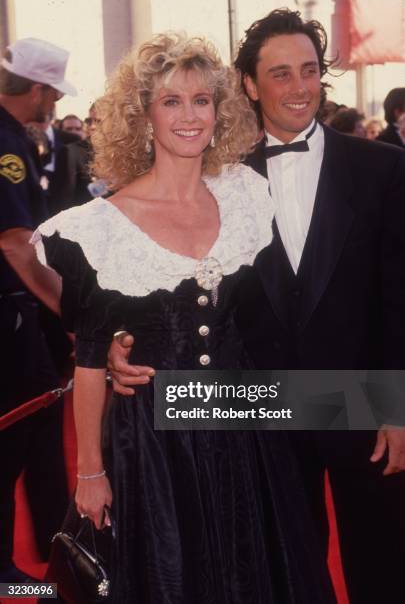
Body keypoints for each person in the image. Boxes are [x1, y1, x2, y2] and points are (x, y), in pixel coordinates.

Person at [109, 10, 405, 604]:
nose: (299, 88)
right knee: (284, 571)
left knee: (382, 565)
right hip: (260, 405)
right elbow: (175, 282)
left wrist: (399, 408)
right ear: (249, 84)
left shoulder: (385, 167)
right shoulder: (221, 180)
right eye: (280, 74)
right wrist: (122, 344)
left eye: (309, 71)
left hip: (365, 399)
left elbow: (400, 297)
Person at [32, 34, 336, 603]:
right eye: (171, 101)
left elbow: (281, 311)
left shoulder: (246, 194)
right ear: (143, 117)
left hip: (247, 427)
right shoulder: (101, 227)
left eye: (202, 99)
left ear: (220, 112)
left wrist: (380, 403)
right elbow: (91, 356)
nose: (190, 115)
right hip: (153, 441)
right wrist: (90, 472)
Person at [0, 37, 75, 582]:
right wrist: (68, 310)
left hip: (18, 311)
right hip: (10, 312)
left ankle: (55, 549)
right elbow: (15, 242)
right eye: (52, 92)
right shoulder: (6, 144)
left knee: (38, 425)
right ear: (40, 89)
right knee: (20, 432)